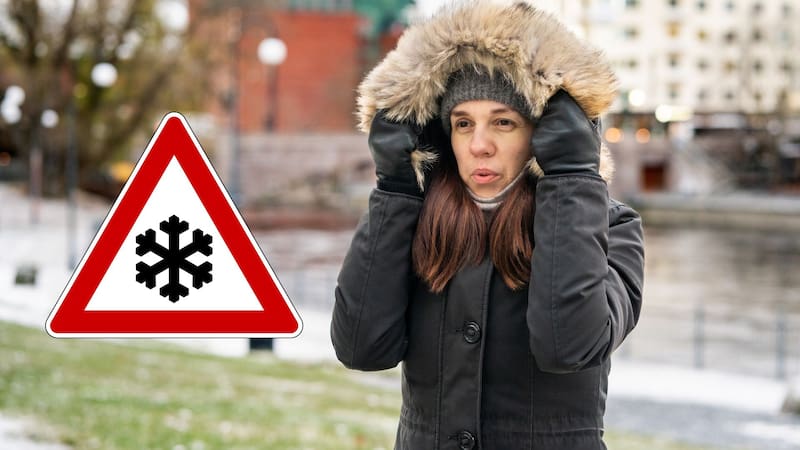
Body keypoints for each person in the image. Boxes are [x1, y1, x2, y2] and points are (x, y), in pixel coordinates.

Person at [331, 1, 644, 449]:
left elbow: (568, 345)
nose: (480, 145)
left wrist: (573, 176)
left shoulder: (614, 228)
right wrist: (396, 189)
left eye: (503, 122)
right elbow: (361, 347)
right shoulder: (416, 222)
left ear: (541, 133)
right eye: (463, 124)